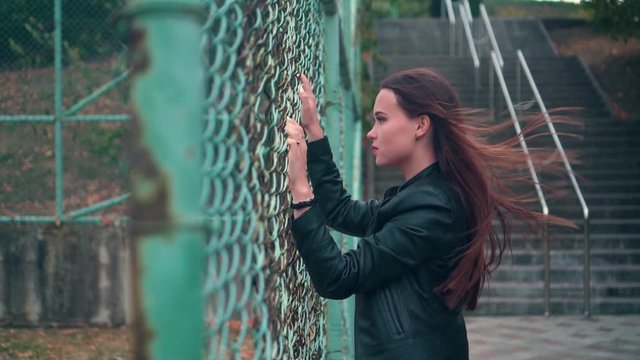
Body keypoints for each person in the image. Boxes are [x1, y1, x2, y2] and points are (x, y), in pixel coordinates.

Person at [285, 68, 572, 359]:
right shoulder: (421, 197)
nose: (371, 132)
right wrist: (315, 133)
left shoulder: (432, 208)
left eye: (381, 119)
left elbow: (338, 277)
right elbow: (341, 212)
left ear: (421, 125)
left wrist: (301, 192)